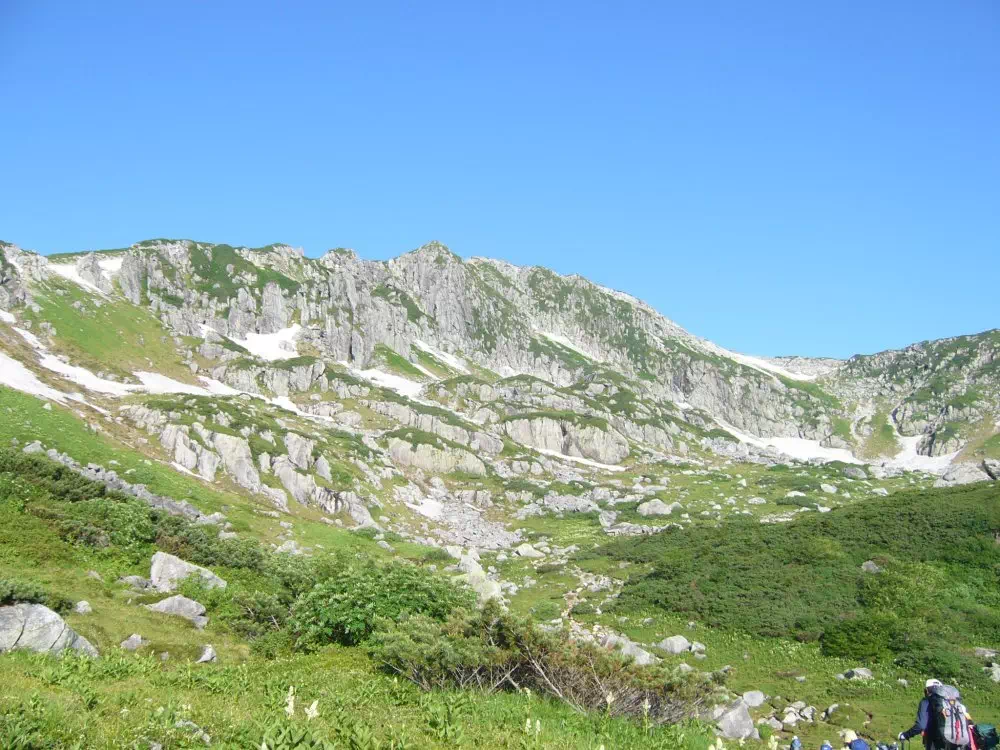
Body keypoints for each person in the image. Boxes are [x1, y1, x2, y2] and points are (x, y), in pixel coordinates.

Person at [899, 679, 972, 749]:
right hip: (958, 742)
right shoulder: (954, 702)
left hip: (936, 743)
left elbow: (920, 726)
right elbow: (970, 723)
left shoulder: (926, 701)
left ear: (927, 690)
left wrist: (905, 735)